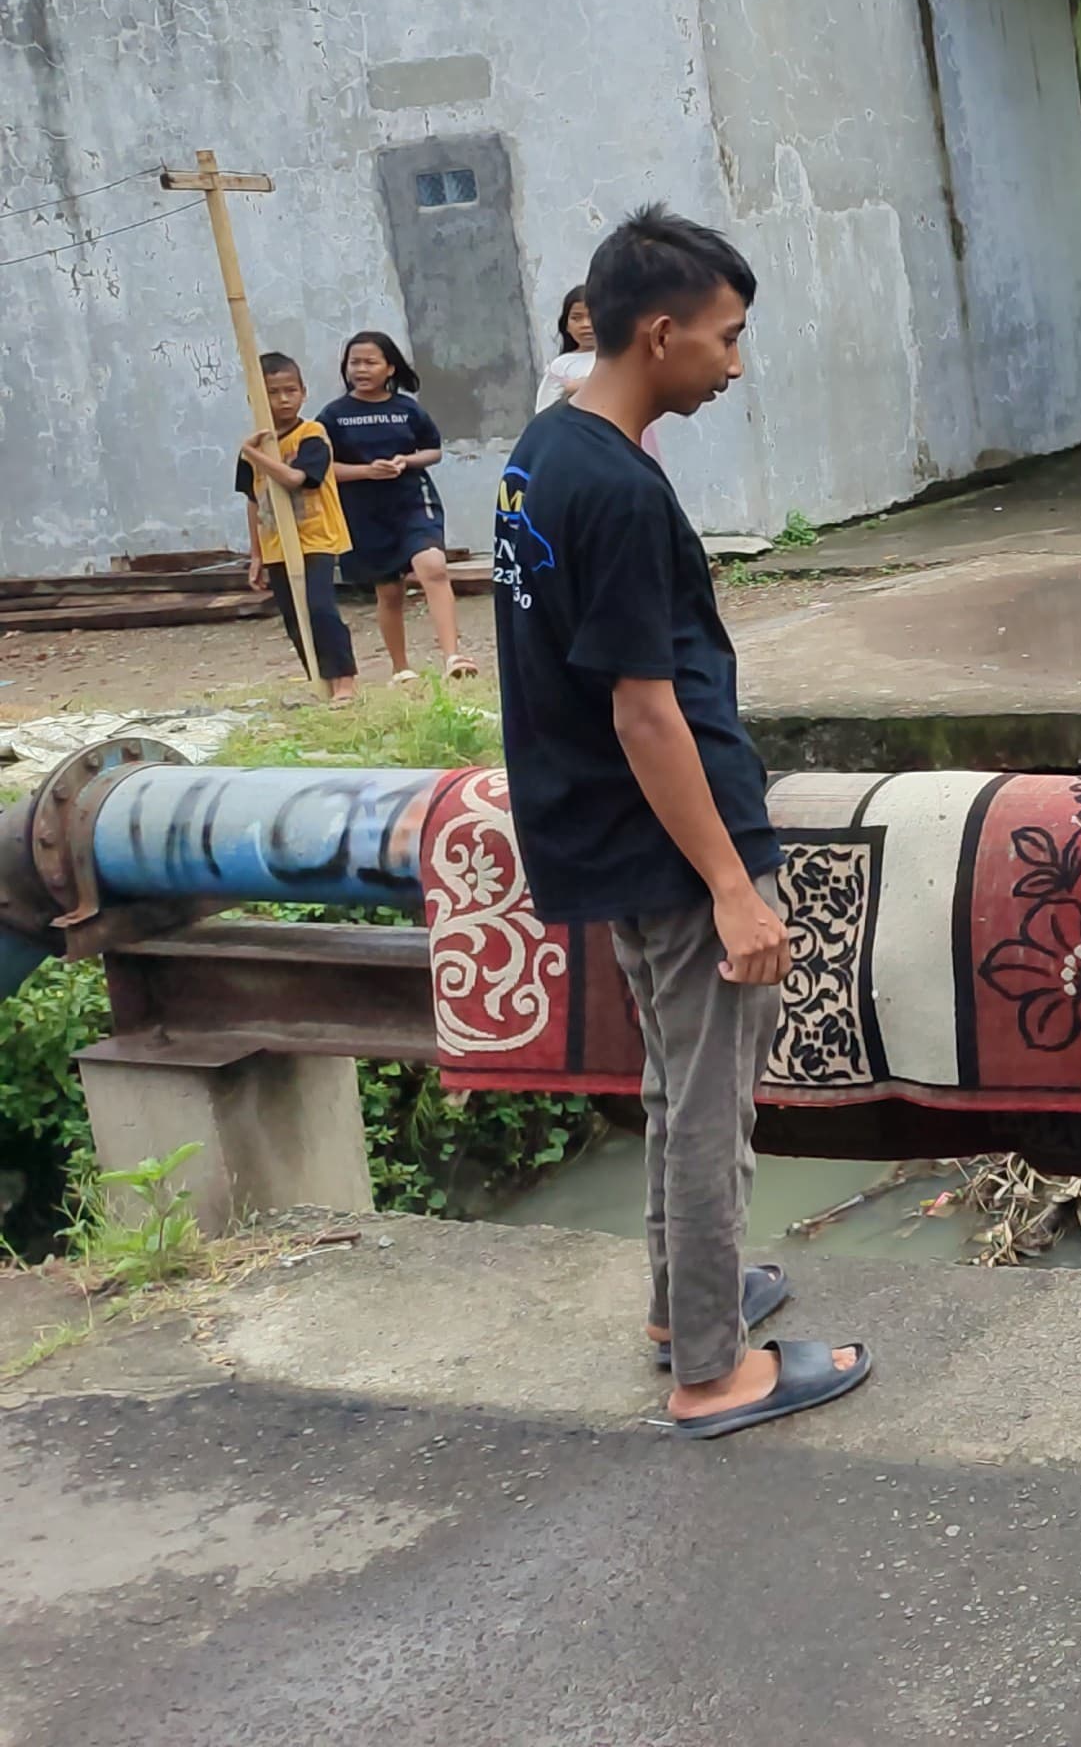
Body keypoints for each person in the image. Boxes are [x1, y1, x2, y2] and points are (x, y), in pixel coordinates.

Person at [491, 205, 869, 1438]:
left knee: (672, 1086)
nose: (736, 364)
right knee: (712, 1108)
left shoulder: (544, 451)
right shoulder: (616, 488)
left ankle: (682, 1305)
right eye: (727, 336)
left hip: (601, 829)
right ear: (660, 334)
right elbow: (646, 711)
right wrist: (733, 886)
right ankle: (712, 1369)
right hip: (672, 842)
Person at [323, 330, 476, 686]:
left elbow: (433, 450)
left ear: (390, 368)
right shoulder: (333, 416)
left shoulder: (407, 409)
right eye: (355, 362)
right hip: (365, 512)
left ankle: (453, 655)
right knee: (389, 591)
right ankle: (400, 668)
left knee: (433, 566)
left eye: (370, 362)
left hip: (412, 501)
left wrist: (406, 461)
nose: (361, 369)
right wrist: (366, 471)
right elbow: (323, 468)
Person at [234, 351, 359, 704]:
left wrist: (254, 454)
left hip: (316, 537)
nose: (284, 399)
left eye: (291, 390)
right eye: (273, 393)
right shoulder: (253, 449)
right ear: (255, 399)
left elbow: (296, 479)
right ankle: (318, 681)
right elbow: (253, 500)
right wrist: (256, 553)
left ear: (303, 392)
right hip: (276, 543)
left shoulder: (312, 434)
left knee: (319, 609)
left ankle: (345, 681)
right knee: (294, 617)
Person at [539, 281, 662, 459]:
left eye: (593, 316)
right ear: (566, 325)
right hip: (577, 445)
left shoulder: (621, 359)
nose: (585, 324)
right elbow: (544, 411)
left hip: (621, 442)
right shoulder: (560, 366)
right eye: (576, 318)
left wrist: (584, 386)